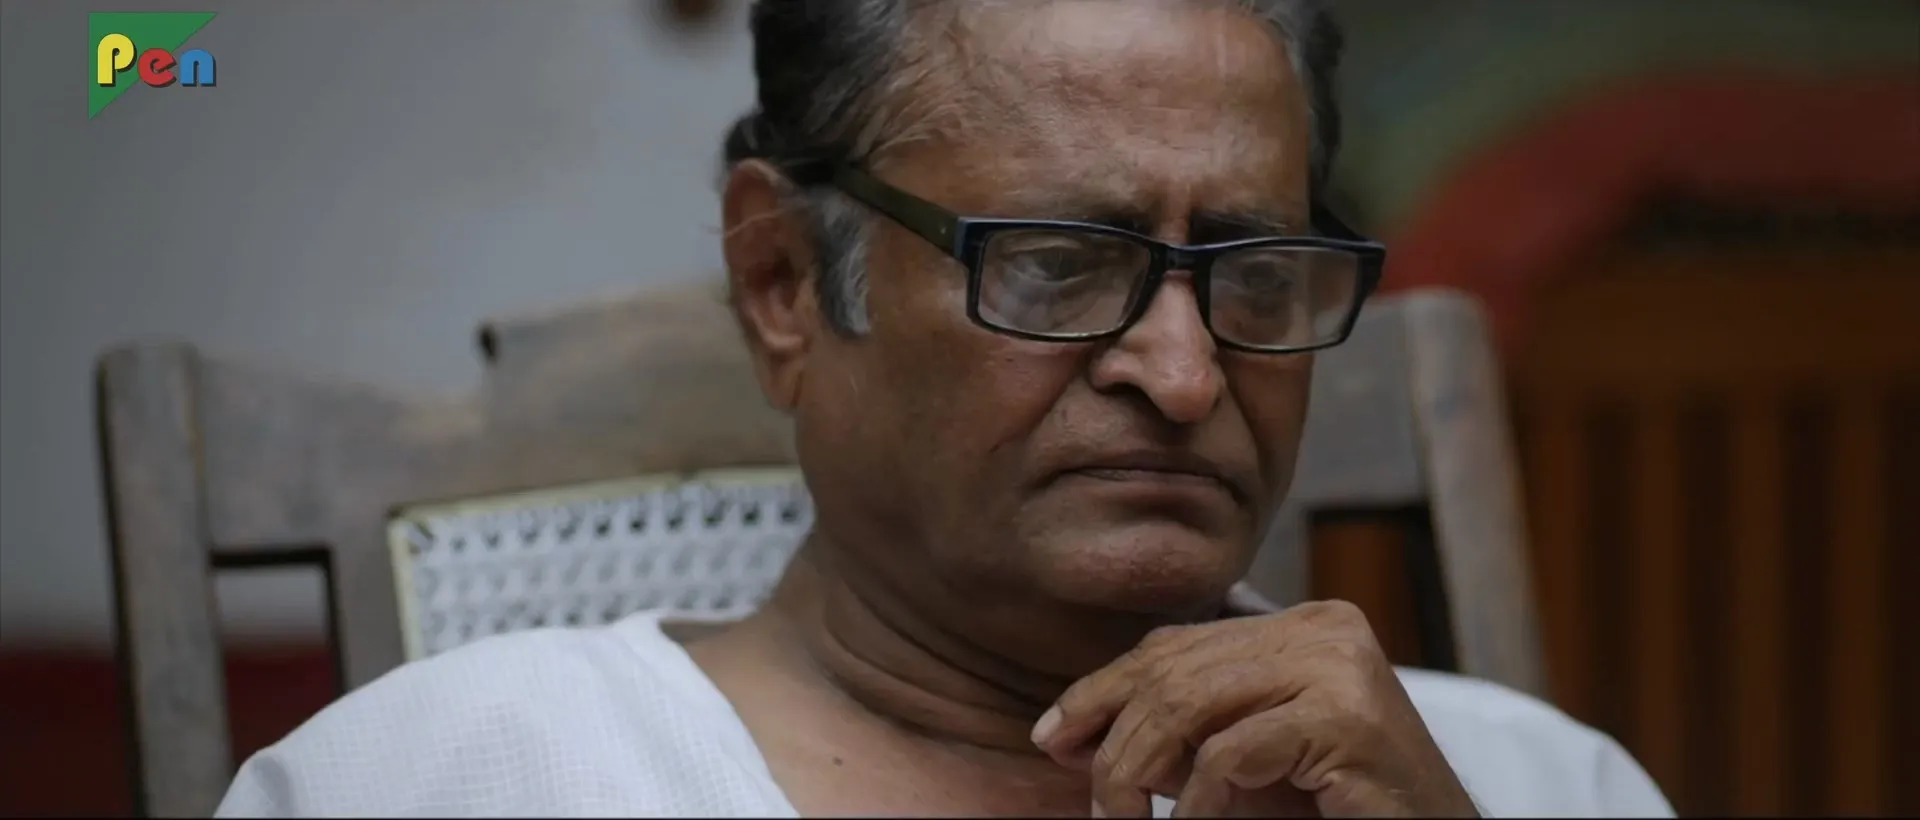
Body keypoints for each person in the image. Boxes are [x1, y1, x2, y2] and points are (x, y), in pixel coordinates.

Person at [217, 0, 1674, 815]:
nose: (1184, 377)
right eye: (1055, 265)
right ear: (785, 281)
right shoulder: (456, 780)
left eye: (1252, 271)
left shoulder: (1520, 784)